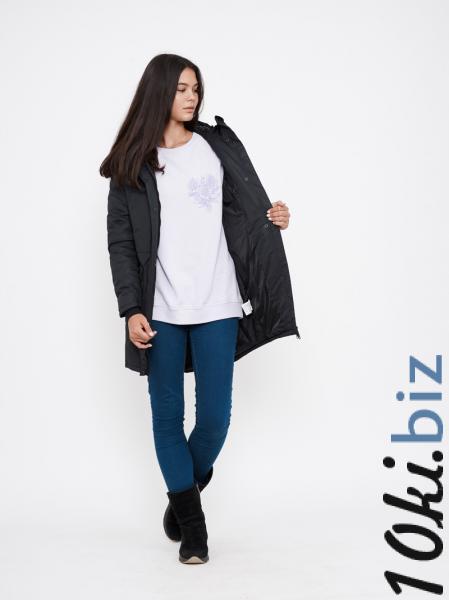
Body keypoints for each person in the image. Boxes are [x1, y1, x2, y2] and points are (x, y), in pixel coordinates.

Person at [100, 53, 298, 565]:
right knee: (167, 417)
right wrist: (130, 309)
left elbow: (248, 208)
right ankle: (193, 528)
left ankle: (180, 495)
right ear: (159, 92)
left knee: (213, 419)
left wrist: (273, 217)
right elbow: (121, 244)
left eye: (195, 89)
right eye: (182, 89)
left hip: (218, 301)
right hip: (160, 310)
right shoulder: (131, 164)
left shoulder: (216, 145)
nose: (192, 97)